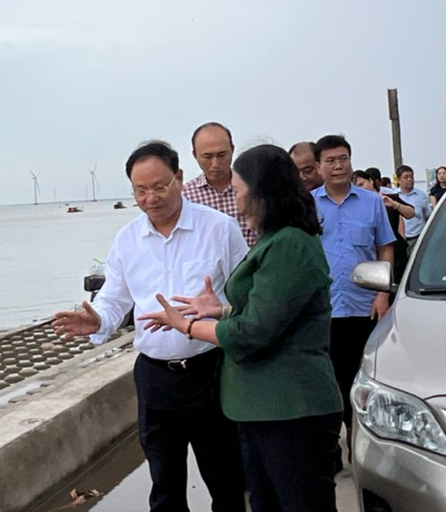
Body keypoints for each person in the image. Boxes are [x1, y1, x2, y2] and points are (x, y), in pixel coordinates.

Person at [139, 144, 343, 512]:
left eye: (237, 190)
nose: (234, 199)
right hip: (258, 409)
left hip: (290, 410)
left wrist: (185, 325)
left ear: (262, 191)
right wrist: (223, 309)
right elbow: (267, 310)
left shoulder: (290, 246)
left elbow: (253, 333)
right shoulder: (272, 239)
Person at [53, 141, 248, 512]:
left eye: (160, 186)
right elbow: (114, 300)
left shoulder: (220, 229)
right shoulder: (128, 240)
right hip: (155, 378)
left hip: (212, 372)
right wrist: (97, 319)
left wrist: (221, 308)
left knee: (225, 478)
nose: (150, 198)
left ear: (179, 177)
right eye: (140, 190)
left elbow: (249, 298)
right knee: (164, 483)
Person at [312, 135, 396, 470]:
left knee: (362, 383)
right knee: (328, 384)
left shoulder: (372, 202)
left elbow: (385, 247)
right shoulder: (307, 205)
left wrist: (383, 293)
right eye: (330, 160)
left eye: (343, 158)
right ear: (318, 166)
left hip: (365, 308)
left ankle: (359, 450)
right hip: (324, 310)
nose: (338, 166)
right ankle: (330, 453)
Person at [183, 122, 258, 246]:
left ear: (232, 150)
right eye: (207, 157)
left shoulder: (252, 187)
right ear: (195, 155)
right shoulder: (186, 197)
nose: (215, 164)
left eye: (222, 155)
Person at [352, 170, 415, 284]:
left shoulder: (389, 197)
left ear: (371, 181)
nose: (361, 189)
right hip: (371, 254)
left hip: (396, 251)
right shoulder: (357, 206)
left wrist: (395, 205)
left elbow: (411, 213)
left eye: (362, 184)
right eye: (356, 187)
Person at [394, 164, 432, 255]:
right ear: (399, 180)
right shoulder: (393, 195)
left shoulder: (421, 195)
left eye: (411, 177)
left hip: (418, 238)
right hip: (400, 239)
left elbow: (428, 215)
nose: (409, 180)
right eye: (406, 177)